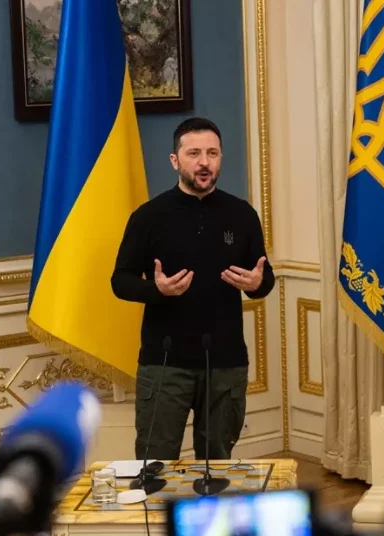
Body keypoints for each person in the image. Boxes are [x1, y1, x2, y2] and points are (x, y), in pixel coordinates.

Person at [111, 117, 276, 461]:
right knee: (155, 461)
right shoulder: (148, 217)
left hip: (226, 361)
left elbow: (264, 278)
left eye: (212, 153)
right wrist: (157, 290)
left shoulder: (242, 215)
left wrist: (258, 284)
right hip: (165, 362)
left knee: (217, 464)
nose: (204, 162)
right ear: (175, 160)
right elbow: (120, 281)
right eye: (194, 153)